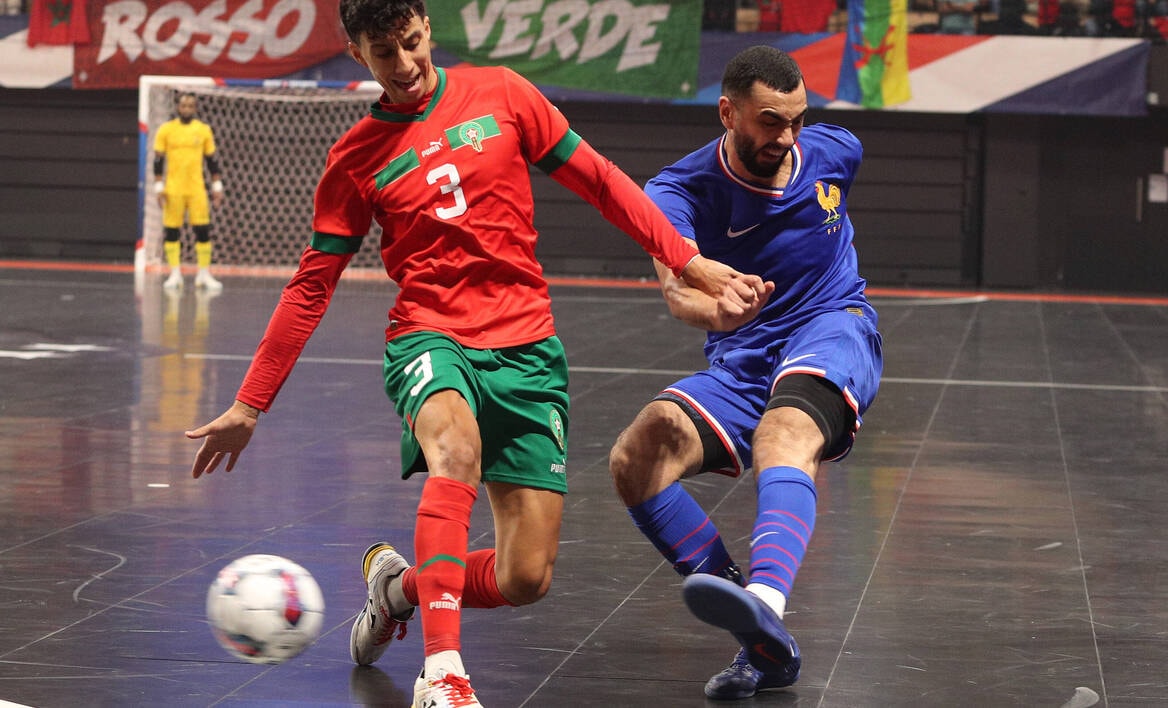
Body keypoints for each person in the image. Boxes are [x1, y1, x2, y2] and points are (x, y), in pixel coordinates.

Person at [182, 1, 761, 707]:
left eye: (412, 44)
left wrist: (691, 262)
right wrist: (250, 403)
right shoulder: (355, 158)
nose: (404, 66)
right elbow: (311, 287)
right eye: (383, 53)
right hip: (430, 337)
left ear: (427, 27)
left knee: (526, 578)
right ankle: (443, 673)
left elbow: (605, 184)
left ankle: (397, 590)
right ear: (357, 54)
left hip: (527, 349)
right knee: (454, 451)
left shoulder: (505, 94)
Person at [608, 45, 883, 701]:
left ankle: (763, 602)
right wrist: (719, 312)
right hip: (743, 353)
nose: (786, 138)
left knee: (782, 436)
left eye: (796, 120)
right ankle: (759, 634)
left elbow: (825, 184)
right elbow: (678, 296)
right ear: (727, 112)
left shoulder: (836, 153)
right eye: (769, 121)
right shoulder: (677, 192)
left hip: (832, 327)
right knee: (635, 458)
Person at [153, 93, 225, 293]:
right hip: (173, 189)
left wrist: (217, 186)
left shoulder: (203, 130)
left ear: (195, 108)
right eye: (183, 105)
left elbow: (212, 161)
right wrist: (158, 187)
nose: (186, 108)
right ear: (178, 107)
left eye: (190, 105)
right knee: (172, 231)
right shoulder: (166, 130)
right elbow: (158, 160)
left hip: (196, 189)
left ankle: (204, 274)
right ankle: (174, 274)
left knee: (202, 231)